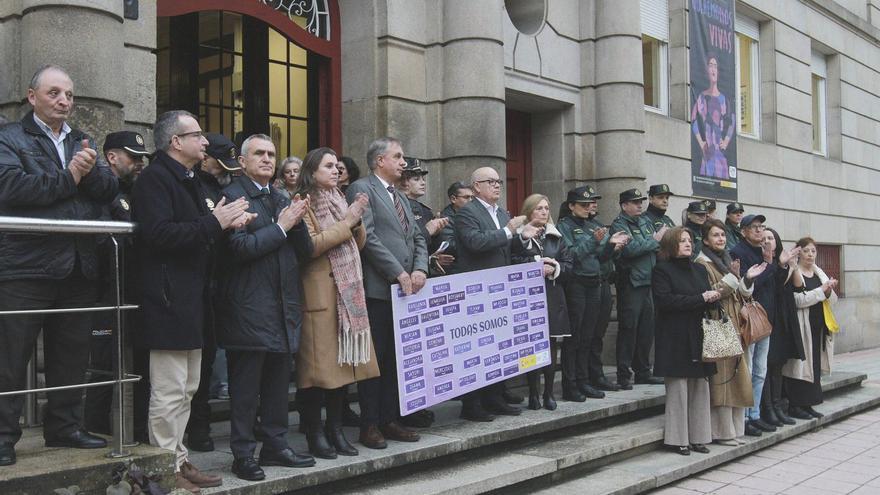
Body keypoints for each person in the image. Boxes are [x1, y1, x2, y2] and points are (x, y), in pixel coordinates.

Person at [0, 65, 118, 467]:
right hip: (25, 267)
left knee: (72, 355)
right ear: (32, 96)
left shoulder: (82, 138)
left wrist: (85, 175)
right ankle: (2, 438)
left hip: (78, 266)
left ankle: (64, 427)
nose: (64, 101)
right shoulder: (9, 138)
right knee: (9, 359)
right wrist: (70, 177)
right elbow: (11, 187)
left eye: (68, 94)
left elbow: (108, 187)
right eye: (54, 93)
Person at [132, 110, 253, 492]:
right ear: (175, 142)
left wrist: (226, 223)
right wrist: (214, 224)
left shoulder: (192, 181)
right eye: (197, 135)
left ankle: (178, 458)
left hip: (193, 298)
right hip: (166, 299)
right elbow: (158, 235)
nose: (205, 142)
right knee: (168, 391)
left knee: (187, 388)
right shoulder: (153, 180)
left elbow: (202, 228)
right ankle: (163, 467)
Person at [215, 134, 316, 480]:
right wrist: (281, 226)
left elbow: (303, 252)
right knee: (245, 390)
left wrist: (298, 220)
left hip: (282, 307)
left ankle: (276, 445)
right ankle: (242, 454)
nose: (267, 159)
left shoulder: (278, 196)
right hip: (248, 308)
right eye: (259, 153)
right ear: (242, 162)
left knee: (276, 384)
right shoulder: (232, 196)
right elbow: (239, 249)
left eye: (271, 154)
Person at [296, 146, 379, 459]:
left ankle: (335, 430)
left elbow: (357, 245)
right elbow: (311, 247)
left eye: (337, 166)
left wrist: (355, 223)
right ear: (312, 170)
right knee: (317, 375)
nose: (335, 170)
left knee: (343, 371)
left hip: (346, 297)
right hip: (318, 298)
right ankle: (315, 434)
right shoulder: (303, 203)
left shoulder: (339, 199)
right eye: (328, 165)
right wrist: (348, 222)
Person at [345, 137, 428, 449]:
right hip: (378, 291)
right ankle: (369, 425)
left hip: (405, 292)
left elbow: (417, 236)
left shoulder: (400, 196)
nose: (403, 162)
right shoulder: (362, 188)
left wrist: (420, 269)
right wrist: (398, 271)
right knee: (375, 361)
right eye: (398, 156)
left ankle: (389, 418)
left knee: (397, 359)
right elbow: (368, 238)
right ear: (380, 160)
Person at [455, 167, 539, 420]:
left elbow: (508, 245)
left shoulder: (502, 213)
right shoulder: (467, 212)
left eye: (499, 181)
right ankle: (472, 405)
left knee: (496, 346)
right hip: (476, 291)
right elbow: (475, 242)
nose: (497, 185)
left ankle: (495, 397)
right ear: (476, 186)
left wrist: (522, 237)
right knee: (475, 350)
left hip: (501, 289)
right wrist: (508, 231)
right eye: (490, 181)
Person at [84, 131, 150, 440]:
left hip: (131, 285)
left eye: (141, 158)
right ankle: (94, 425)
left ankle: (124, 426)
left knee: (127, 360)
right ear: (112, 156)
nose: (139, 163)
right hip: (104, 289)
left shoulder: (135, 191)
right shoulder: (102, 192)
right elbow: (100, 241)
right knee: (102, 360)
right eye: (133, 157)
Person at [186, 132, 241, 453]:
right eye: (221, 165)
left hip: (221, 282)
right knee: (194, 363)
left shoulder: (225, 188)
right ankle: (196, 426)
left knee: (209, 361)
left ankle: (201, 424)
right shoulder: (192, 185)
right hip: (195, 283)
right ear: (205, 158)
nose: (225, 172)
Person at [695, 219, 766, 446]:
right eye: (715, 235)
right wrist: (734, 278)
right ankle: (722, 433)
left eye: (723, 235)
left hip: (736, 325)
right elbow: (708, 293)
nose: (721, 239)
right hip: (718, 325)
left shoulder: (725, 259)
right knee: (723, 381)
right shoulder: (702, 262)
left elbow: (740, 293)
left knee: (738, 378)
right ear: (705, 239)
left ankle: (736, 431)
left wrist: (746, 279)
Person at [729, 215, 799, 437]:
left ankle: (756, 414)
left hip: (765, 318)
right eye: (754, 227)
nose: (759, 231)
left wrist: (780, 265)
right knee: (749, 370)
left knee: (761, 371)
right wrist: (772, 264)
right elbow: (751, 285)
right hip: (749, 318)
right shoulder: (738, 252)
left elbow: (775, 283)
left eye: (761, 227)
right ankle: (747, 417)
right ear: (744, 232)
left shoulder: (763, 252)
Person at [557, 186, 629, 399]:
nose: (588, 208)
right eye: (583, 204)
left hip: (594, 283)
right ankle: (570, 385)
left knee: (588, 336)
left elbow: (601, 258)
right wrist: (594, 241)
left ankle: (584, 380)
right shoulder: (564, 226)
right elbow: (571, 255)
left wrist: (613, 246)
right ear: (571, 206)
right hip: (576, 285)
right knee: (575, 337)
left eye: (590, 204)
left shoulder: (591, 225)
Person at [652, 227, 719, 456]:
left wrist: (712, 298)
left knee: (700, 387)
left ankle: (699, 437)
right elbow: (666, 301)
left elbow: (704, 297)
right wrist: (700, 298)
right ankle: (678, 439)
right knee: (679, 388)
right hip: (674, 335)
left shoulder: (700, 269)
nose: (688, 244)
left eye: (689, 240)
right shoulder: (662, 270)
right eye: (682, 241)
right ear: (671, 245)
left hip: (698, 332)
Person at [511, 194, 574, 410]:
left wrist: (554, 268)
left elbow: (568, 265)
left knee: (551, 345)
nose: (544, 212)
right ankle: (533, 393)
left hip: (553, 296)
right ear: (529, 211)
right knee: (531, 348)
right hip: (528, 300)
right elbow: (512, 262)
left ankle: (548, 393)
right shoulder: (519, 236)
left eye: (547, 208)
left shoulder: (556, 236)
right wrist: (535, 265)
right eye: (539, 208)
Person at [610, 188, 665, 389]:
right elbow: (630, 250)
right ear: (624, 205)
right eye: (634, 202)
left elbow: (651, 247)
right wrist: (653, 240)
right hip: (631, 283)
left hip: (648, 281)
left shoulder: (643, 221)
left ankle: (643, 371)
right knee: (629, 329)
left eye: (640, 202)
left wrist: (650, 243)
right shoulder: (619, 224)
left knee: (646, 330)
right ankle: (624, 374)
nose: (639, 205)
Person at [783, 237, 837, 419]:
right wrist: (821, 291)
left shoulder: (818, 271)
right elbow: (797, 300)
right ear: (798, 252)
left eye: (813, 251)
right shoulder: (793, 272)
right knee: (800, 366)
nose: (810, 255)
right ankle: (796, 405)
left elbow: (831, 299)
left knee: (814, 364)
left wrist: (828, 290)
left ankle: (810, 404)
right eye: (806, 251)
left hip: (819, 326)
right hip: (801, 326)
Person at [760, 227, 803, 428]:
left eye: (771, 237)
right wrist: (781, 265)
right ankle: (768, 408)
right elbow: (776, 286)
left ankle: (777, 406)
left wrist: (792, 266)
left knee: (778, 365)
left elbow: (798, 286)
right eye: (764, 238)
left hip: (785, 317)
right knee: (767, 365)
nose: (768, 241)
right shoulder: (765, 263)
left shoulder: (784, 261)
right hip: (769, 318)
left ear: (777, 241)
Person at [398, 157, 451, 278]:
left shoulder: (425, 210)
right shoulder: (396, 206)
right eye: (416, 179)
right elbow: (403, 243)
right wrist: (427, 231)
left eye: (423, 179)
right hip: (405, 274)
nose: (423, 183)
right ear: (403, 182)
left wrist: (437, 232)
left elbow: (430, 247)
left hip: (423, 272)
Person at [691, 52, 735, 179]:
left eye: (715, 66)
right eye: (711, 65)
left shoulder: (724, 99)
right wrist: (701, 142)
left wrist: (726, 141)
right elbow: (694, 120)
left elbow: (732, 121)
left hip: (720, 154)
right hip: (708, 154)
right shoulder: (702, 97)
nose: (713, 69)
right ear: (707, 70)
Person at [436, 181, 473, 275]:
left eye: (472, 197)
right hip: (455, 270)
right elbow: (449, 245)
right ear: (453, 199)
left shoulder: (473, 215)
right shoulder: (445, 219)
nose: (471, 200)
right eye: (466, 197)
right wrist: (476, 242)